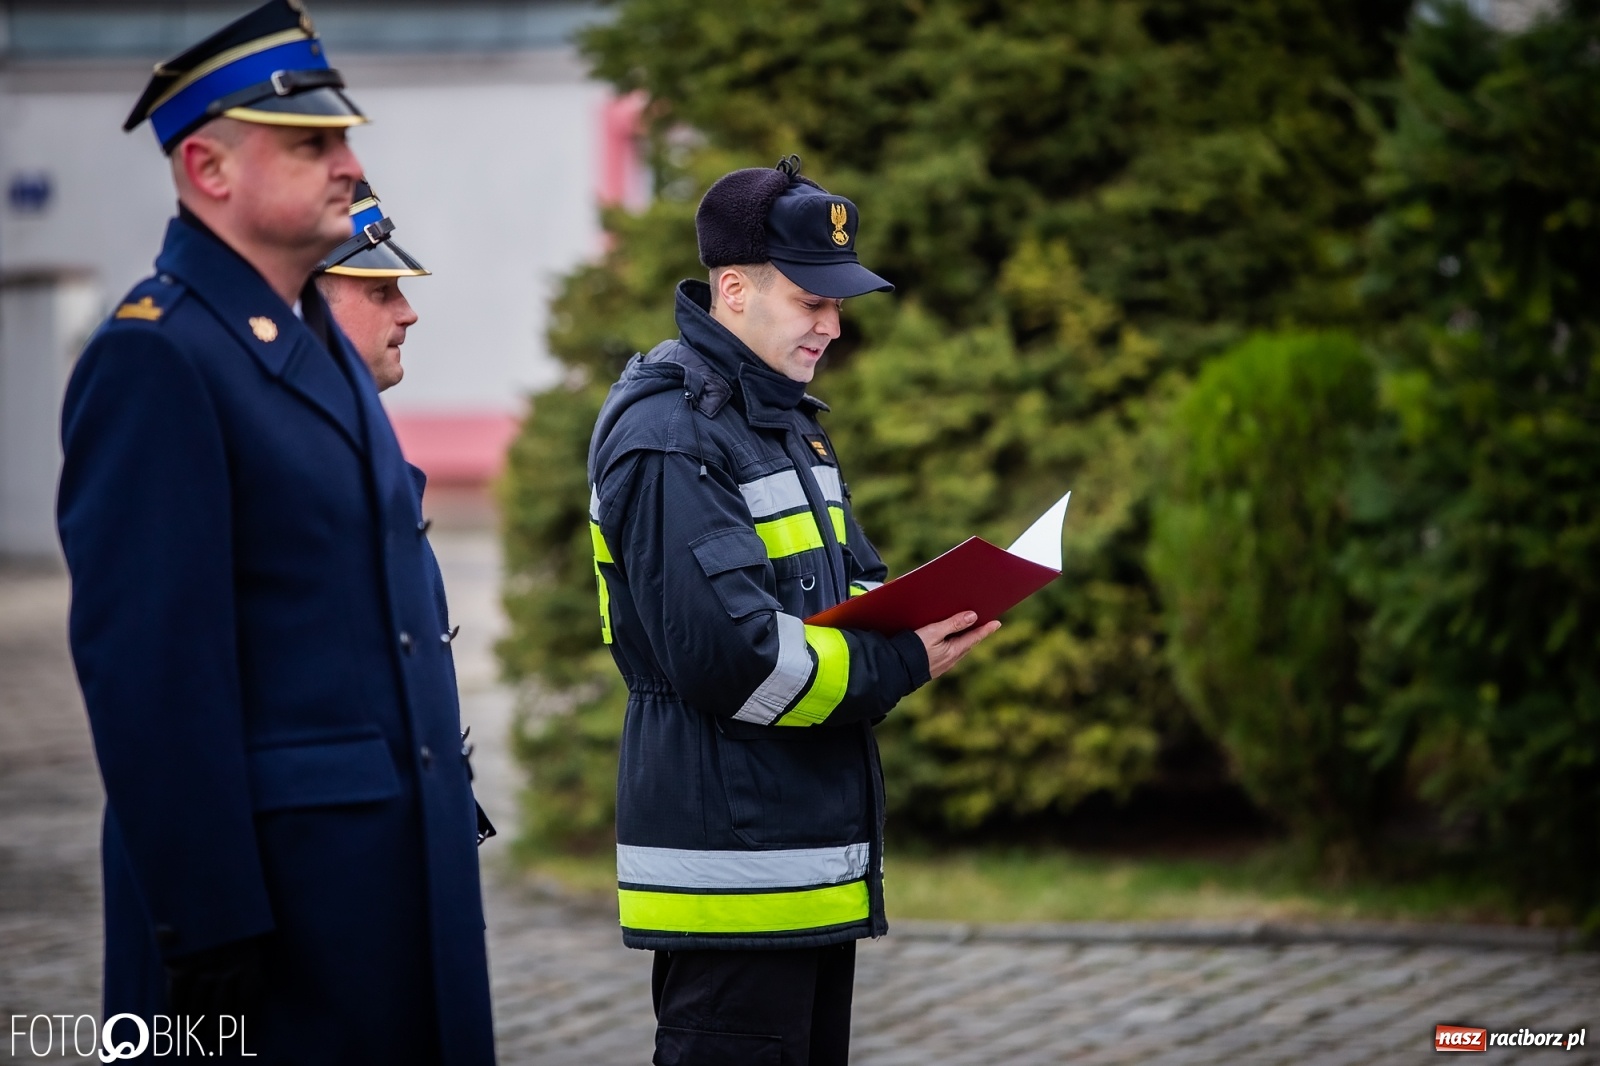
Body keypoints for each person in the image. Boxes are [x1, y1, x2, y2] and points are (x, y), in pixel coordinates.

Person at [54, 3, 495, 1062]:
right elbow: (151, 672)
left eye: (343, 137)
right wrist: (207, 923)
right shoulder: (158, 358)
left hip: (389, 886)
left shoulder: (311, 341)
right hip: (270, 920)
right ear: (208, 169)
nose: (347, 163)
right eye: (311, 143)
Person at [586, 156, 1001, 1066]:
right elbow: (735, 658)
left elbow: (833, 596)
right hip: (736, 878)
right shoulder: (672, 431)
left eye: (838, 303)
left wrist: (920, 610)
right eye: (811, 301)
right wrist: (899, 661)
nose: (834, 325)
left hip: (800, 867)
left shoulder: (777, 417)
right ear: (733, 290)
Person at [316, 181, 495, 845]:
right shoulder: (292, 452)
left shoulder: (364, 443)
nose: (409, 313)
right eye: (381, 291)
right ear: (310, 303)